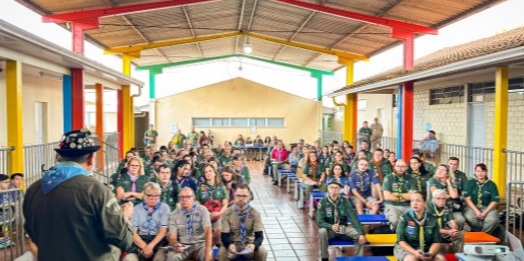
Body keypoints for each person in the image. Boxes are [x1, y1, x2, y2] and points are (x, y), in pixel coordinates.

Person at [23, 129, 134, 261]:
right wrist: (124, 217)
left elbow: (33, 234)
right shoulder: (96, 190)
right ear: (90, 158)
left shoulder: (33, 190)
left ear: (60, 157)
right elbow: (123, 239)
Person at [317, 180, 367, 261]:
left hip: (342, 228)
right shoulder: (322, 202)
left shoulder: (345, 201)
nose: (334, 190)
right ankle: (324, 258)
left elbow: (353, 218)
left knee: (359, 236)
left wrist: (361, 233)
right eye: (331, 187)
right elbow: (320, 221)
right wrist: (331, 226)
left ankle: (359, 258)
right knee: (322, 231)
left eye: (336, 188)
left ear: (340, 190)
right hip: (329, 230)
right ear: (328, 189)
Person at [219, 184, 267, 261]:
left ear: (249, 198)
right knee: (222, 252)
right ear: (234, 196)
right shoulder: (227, 213)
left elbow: (259, 236)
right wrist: (229, 245)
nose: (241, 198)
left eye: (244, 196)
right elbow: (224, 236)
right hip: (233, 244)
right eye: (238, 195)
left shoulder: (255, 213)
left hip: (249, 244)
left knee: (262, 252)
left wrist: (254, 245)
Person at [394, 191, 445, 261]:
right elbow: (401, 240)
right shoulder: (404, 218)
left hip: (428, 248)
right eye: (412, 201)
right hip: (408, 249)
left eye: (418, 201)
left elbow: (437, 241)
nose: (414, 203)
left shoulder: (433, 219)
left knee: (440, 259)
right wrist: (414, 252)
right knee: (411, 259)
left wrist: (430, 253)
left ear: (425, 203)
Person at [125, 182, 170, 261]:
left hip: (158, 241)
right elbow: (133, 233)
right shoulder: (137, 209)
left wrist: (150, 247)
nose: (153, 198)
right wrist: (145, 247)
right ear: (144, 196)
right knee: (129, 259)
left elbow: (162, 232)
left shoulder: (164, 208)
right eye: (150, 195)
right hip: (141, 240)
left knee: (160, 258)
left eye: (156, 196)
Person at [166, 187, 213, 261]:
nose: (184, 199)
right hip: (183, 245)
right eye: (182, 197)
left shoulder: (202, 210)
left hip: (200, 245)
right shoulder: (174, 214)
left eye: (188, 197)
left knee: (207, 256)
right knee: (171, 257)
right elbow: (172, 237)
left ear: (193, 198)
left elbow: (208, 232)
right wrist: (175, 244)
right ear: (179, 199)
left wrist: (208, 252)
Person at [196, 164, 229, 246]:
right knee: (207, 231)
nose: (208, 173)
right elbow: (197, 202)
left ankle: (209, 248)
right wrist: (205, 213)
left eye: (210, 171)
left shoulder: (221, 186)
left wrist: (219, 213)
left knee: (218, 230)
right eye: (206, 172)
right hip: (204, 215)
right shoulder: (201, 186)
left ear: (215, 173)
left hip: (218, 215)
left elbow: (225, 203)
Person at [463, 163, 501, 234]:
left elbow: (495, 200)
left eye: (482, 171)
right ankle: (481, 232)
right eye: (478, 171)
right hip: (473, 207)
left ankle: (482, 235)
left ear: (486, 172)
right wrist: (477, 211)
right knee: (469, 217)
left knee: (492, 220)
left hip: (488, 207)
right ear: (475, 172)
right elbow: (467, 198)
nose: (480, 173)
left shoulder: (492, 184)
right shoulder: (470, 183)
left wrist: (485, 213)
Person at [428, 164, 465, 229]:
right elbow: (436, 194)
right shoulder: (433, 180)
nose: (439, 171)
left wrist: (448, 183)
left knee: (461, 220)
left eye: (442, 170)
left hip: (451, 208)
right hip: (436, 207)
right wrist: (448, 195)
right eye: (438, 169)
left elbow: (454, 196)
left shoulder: (452, 182)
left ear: (447, 173)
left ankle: (453, 235)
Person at [382, 159, 417, 228]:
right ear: (394, 167)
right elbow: (387, 196)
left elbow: (413, 196)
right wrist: (405, 196)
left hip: (408, 206)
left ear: (406, 168)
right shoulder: (388, 178)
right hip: (392, 205)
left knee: (413, 222)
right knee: (395, 221)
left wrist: (395, 194)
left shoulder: (412, 179)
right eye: (398, 166)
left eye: (403, 166)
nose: (400, 169)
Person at [427, 189, 464, 253]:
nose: (441, 201)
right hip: (430, 232)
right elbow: (431, 228)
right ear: (433, 199)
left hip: (443, 230)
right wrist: (448, 231)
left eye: (443, 198)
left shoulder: (447, 205)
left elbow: (452, 221)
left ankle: (457, 256)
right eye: (438, 198)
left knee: (459, 235)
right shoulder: (428, 207)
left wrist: (454, 230)